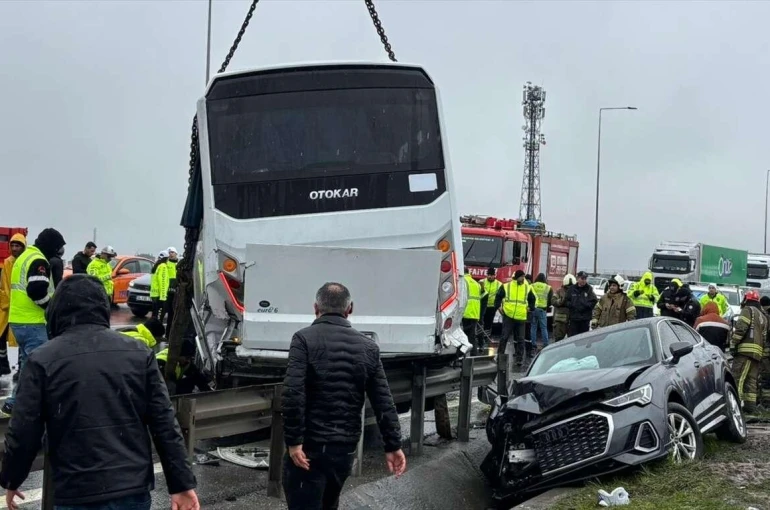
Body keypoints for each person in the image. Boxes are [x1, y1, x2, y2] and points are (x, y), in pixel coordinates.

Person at [0, 275, 199, 510]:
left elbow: (24, 431)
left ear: (56, 311)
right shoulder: (139, 353)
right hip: (133, 489)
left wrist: (12, 479)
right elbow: (164, 424)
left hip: (76, 490)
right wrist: (182, 484)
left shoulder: (42, 360)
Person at [282, 282, 406, 510]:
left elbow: (293, 392)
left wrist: (294, 441)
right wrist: (393, 445)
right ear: (350, 309)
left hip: (310, 446)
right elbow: (383, 401)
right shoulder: (368, 347)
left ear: (315, 307)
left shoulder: (303, 339)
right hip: (344, 449)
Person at [2, 228, 65, 416]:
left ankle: (15, 403)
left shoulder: (24, 256)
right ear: (51, 245)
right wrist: (51, 308)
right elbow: (37, 290)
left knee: (28, 364)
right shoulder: (38, 260)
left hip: (18, 320)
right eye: (57, 248)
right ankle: (31, 406)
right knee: (40, 366)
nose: (58, 252)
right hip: (33, 322)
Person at [730, 289, 767, 414]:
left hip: (745, 351)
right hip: (757, 353)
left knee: (738, 378)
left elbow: (741, 329)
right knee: (751, 381)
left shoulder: (747, 310)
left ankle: (734, 406)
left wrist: (733, 344)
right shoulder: (763, 316)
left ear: (746, 299)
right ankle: (751, 407)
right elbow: (764, 336)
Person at [494, 270, 535, 367]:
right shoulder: (506, 286)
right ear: (517, 277)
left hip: (521, 317)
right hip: (509, 315)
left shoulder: (527, 287)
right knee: (504, 337)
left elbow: (532, 300)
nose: (523, 279)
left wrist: (530, 307)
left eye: (524, 277)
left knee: (521, 339)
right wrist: (498, 307)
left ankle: (519, 359)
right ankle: (500, 356)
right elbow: (498, 297)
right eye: (521, 277)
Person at [0, 234, 26, 377]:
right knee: (1, 335)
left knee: (21, 339)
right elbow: (4, 285)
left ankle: (21, 367)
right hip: (7, 305)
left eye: (18, 246)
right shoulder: (8, 262)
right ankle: (3, 364)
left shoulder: (25, 261)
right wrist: (5, 302)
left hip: (21, 307)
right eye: (13, 246)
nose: (15, 248)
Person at [566, 271, 598, 336]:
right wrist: (571, 305)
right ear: (578, 278)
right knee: (573, 337)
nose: (584, 280)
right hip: (574, 318)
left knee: (583, 338)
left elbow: (594, 301)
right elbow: (566, 300)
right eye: (582, 278)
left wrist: (586, 306)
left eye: (585, 279)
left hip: (584, 319)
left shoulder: (589, 289)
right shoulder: (572, 289)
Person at [461, 268, 482, 355]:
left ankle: (461, 355)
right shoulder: (476, 283)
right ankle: (474, 354)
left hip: (465, 312)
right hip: (474, 313)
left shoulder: (462, 281)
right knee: (471, 336)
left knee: (461, 336)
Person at [530, 273, 552, 349]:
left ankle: (533, 343)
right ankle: (545, 343)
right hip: (542, 310)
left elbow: (529, 297)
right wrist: (546, 306)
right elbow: (550, 300)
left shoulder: (532, 286)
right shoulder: (548, 287)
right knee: (543, 327)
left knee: (533, 327)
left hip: (533, 309)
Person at [552, 274, 574, 341]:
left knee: (572, 341)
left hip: (572, 321)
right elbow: (553, 301)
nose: (569, 288)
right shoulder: (559, 291)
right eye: (568, 287)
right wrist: (561, 301)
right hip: (560, 322)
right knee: (558, 341)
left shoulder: (575, 292)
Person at [151, 251, 170, 321]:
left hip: (154, 294)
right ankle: (156, 331)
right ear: (166, 258)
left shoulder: (156, 266)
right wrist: (163, 296)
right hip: (160, 296)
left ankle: (151, 331)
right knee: (159, 318)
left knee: (154, 316)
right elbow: (162, 282)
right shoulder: (163, 266)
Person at [481, 268, 501, 333]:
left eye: (491, 275)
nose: (489, 276)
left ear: (494, 275)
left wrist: (499, 305)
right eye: (488, 274)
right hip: (483, 306)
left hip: (492, 306)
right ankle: (480, 335)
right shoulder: (482, 282)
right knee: (481, 321)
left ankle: (486, 336)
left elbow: (501, 296)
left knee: (489, 322)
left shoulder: (499, 284)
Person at [165, 247, 180, 337]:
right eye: (169, 252)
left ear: (176, 253)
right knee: (169, 314)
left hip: (177, 293)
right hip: (169, 293)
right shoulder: (166, 264)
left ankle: (173, 333)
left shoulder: (179, 264)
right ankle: (168, 334)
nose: (171, 254)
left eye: (172, 252)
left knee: (175, 314)